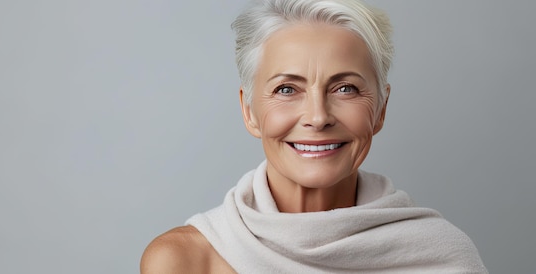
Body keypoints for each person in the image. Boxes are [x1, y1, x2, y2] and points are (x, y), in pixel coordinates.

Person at [141, 0, 487, 273]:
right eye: (287, 89)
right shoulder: (185, 262)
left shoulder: (440, 259)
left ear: (381, 109)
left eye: (346, 88)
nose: (318, 117)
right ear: (249, 111)